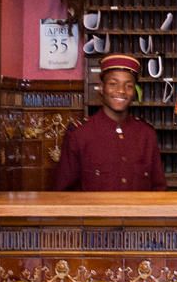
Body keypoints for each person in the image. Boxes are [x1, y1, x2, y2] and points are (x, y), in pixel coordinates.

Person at [53, 54, 167, 191]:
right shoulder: (80, 135)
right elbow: (64, 192)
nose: (121, 91)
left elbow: (159, 189)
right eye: (113, 84)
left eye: (129, 86)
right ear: (101, 88)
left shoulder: (146, 135)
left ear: (134, 92)